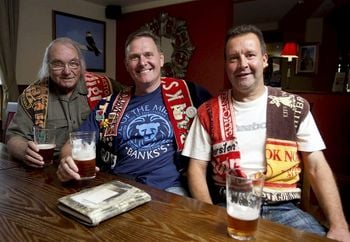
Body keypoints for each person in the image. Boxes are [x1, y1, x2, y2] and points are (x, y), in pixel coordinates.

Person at [182, 24, 350, 241]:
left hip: (285, 210)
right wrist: (210, 214)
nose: (242, 64)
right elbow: (196, 168)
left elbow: (317, 166)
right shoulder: (208, 112)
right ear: (226, 65)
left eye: (250, 55)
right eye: (233, 58)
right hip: (230, 208)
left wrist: (339, 225)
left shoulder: (295, 106)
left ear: (264, 60)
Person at [56, 29, 212, 196]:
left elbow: (224, 118)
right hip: (119, 187)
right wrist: (67, 162)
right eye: (134, 57)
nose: (142, 62)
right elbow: (72, 144)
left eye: (148, 55)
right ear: (127, 65)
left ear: (161, 59)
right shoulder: (108, 105)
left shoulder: (189, 93)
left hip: (169, 189)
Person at [6, 37, 123, 168]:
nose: (67, 71)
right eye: (58, 64)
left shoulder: (105, 85)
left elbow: (135, 97)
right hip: (49, 171)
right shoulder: (32, 95)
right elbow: (14, 137)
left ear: (81, 65)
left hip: (98, 169)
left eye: (73, 63)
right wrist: (24, 151)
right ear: (48, 66)